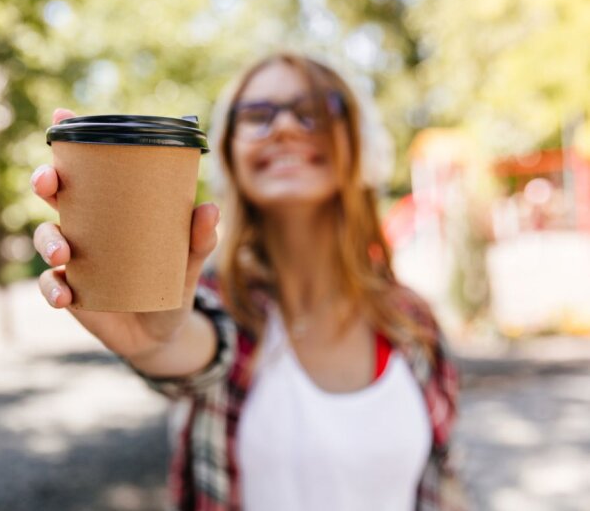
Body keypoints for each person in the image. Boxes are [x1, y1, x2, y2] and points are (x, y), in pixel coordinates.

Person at [30, 52, 467, 510]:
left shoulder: (413, 322)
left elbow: (447, 485)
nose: (284, 127)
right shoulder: (215, 305)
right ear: (231, 156)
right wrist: (153, 342)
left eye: (313, 111)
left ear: (357, 143)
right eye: (258, 115)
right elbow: (192, 346)